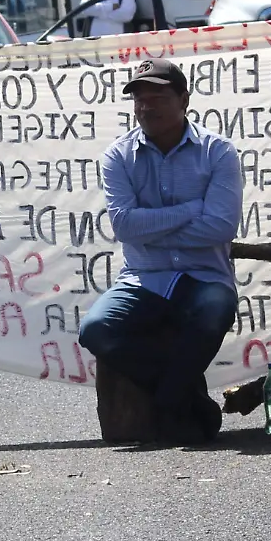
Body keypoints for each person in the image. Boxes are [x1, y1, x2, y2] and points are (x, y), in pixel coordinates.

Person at [79, 58, 240, 443]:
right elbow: (123, 226)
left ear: (184, 99)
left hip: (204, 276)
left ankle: (169, 399)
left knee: (215, 309)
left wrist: (148, 228)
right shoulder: (117, 156)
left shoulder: (218, 152)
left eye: (157, 97)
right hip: (143, 279)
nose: (147, 107)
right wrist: (189, 210)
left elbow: (221, 226)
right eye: (139, 100)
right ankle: (183, 397)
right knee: (96, 329)